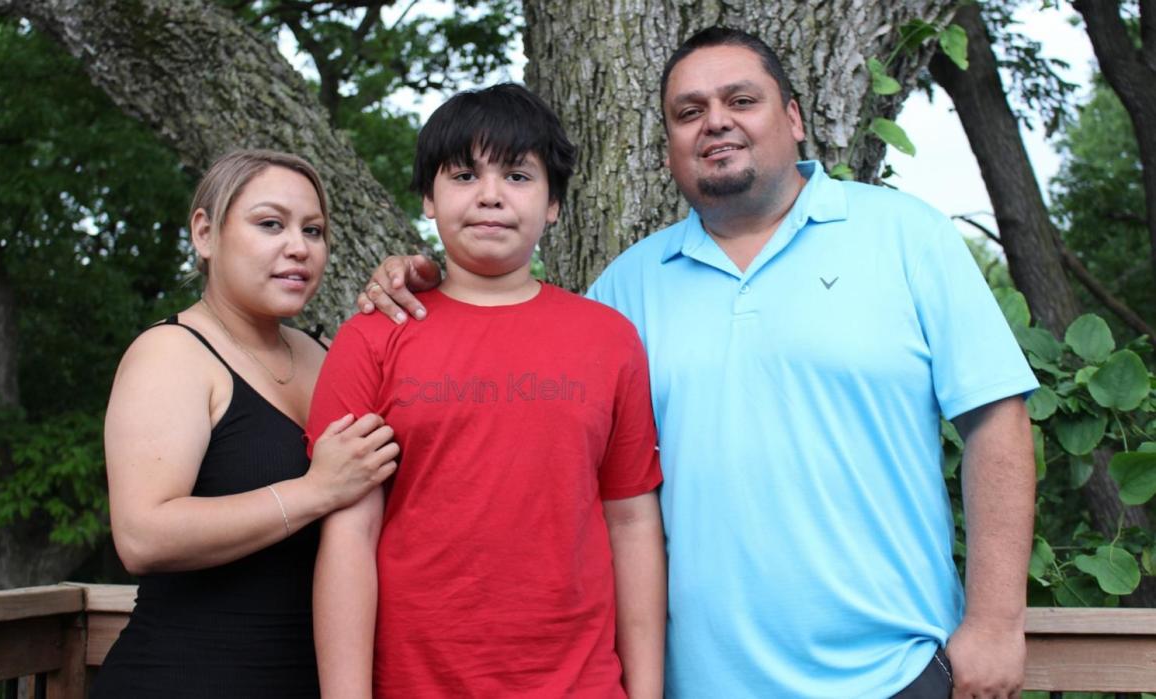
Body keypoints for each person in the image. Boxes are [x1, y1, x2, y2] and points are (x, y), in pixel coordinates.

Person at [357, 28, 1038, 699]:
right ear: (669, 149)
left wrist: (995, 622)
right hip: (697, 682)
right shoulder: (624, 291)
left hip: (895, 673)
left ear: (794, 118)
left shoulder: (905, 234)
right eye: (689, 112)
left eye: (741, 100)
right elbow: (512, 378)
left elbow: (996, 418)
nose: (715, 122)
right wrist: (420, 280)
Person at [305, 83, 666, 698]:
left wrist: (647, 691)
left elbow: (630, 521)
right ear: (428, 196)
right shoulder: (373, 335)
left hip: (582, 684)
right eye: (465, 174)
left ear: (553, 204)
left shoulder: (610, 339)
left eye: (519, 176)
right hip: (415, 683)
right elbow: (349, 534)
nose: (491, 196)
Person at [92, 149, 399, 697]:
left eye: (314, 230)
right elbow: (142, 536)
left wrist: (418, 281)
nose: (298, 247)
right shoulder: (170, 354)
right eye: (270, 224)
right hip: (184, 680)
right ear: (206, 234)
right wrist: (315, 490)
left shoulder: (323, 352)